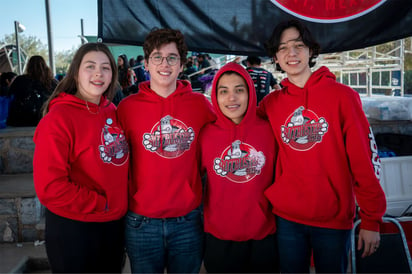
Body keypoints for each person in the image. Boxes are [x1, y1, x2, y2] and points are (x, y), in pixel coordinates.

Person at [258, 19, 386, 273]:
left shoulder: (342, 97)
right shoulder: (270, 105)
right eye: (283, 48)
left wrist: (372, 219)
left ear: (311, 50)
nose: (291, 53)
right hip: (287, 218)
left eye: (298, 45)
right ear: (275, 56)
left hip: (333, 220)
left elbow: (364, 160)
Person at [117, 28, 216, 274]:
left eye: (172, 57)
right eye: (157, 57)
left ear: (182, 65)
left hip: (187, 221)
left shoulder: (200, 105)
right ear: (146, 64)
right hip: (141, 222)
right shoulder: (127, 108)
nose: (164, 63)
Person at [33, 42, 129, 273]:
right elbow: (50, 187)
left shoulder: (112, 112)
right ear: (76, 72)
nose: (98, 73)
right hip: (75, 230)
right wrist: (101, 203)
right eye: (90, 66)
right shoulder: (58, 119)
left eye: (106, 67)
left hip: (112, 226)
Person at [199, 62, 278, 273]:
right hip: (220, 238)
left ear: (250, 93)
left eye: (239, 90)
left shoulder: (269, 130)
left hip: (264, 236)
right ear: (215, 96)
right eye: (223, 91)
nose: (231, 98)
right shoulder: (206, 134)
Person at [7, 55, 58, 126]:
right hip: (46, 119)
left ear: (29, 66)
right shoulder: (53, 82)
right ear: (45, 66)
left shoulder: (20, 80)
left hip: (21, 120)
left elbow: (9, 96)